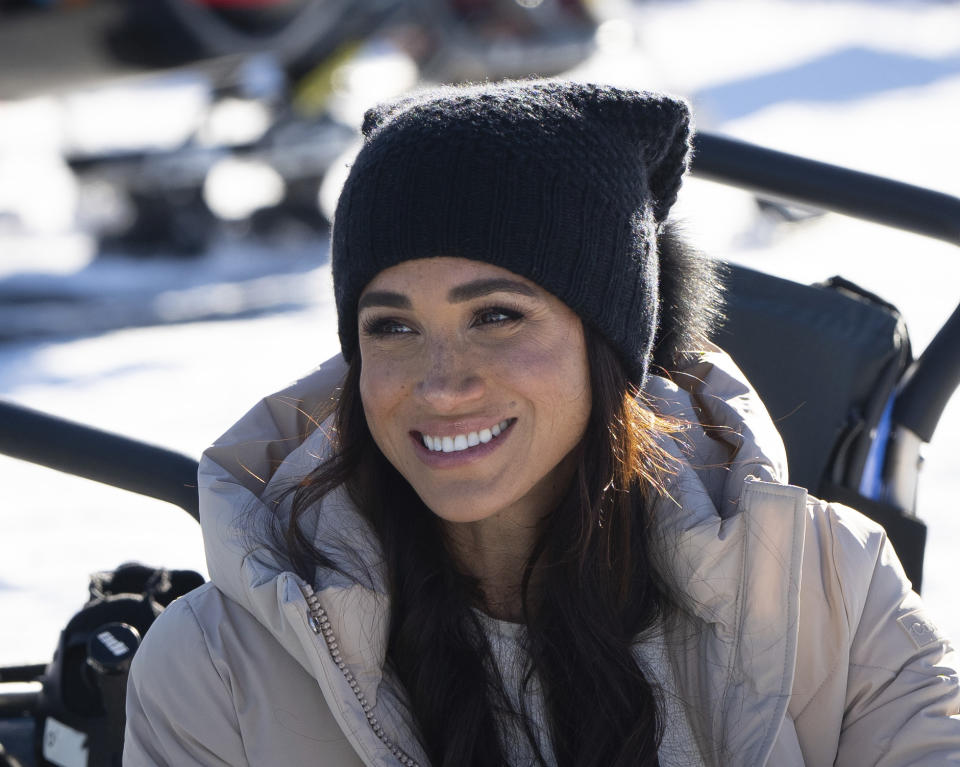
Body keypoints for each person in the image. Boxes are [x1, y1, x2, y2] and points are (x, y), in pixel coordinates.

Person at [123, 80, 960, 766]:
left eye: (496, 316)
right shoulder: (218, 666)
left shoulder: (829, 591)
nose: (442, 385)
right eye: (393, 327)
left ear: (609, 345)